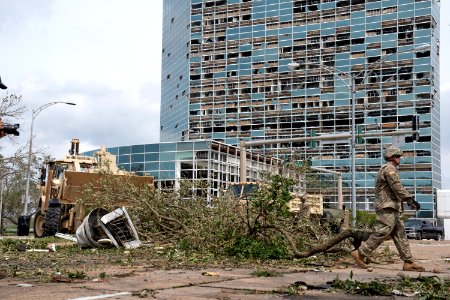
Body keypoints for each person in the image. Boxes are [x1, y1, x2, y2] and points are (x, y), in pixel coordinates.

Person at [351, 146, 425, 272]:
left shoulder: (391, 169)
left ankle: (408, 262)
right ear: (390, 157)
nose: (399, 158)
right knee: (383, 231)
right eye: (397, 156)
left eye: (399, 156)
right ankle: (360, 253)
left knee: (400, 234)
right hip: (386, 206)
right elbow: (397, 187)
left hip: (393, 207)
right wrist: (410, 199)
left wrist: (407, 200)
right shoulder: (389, 169)